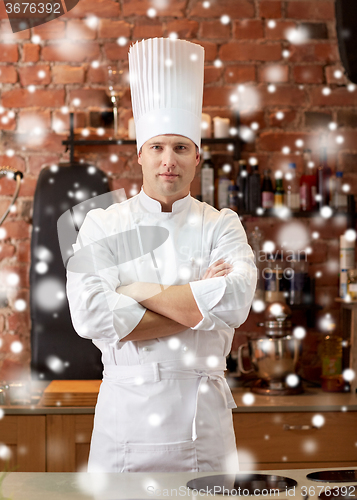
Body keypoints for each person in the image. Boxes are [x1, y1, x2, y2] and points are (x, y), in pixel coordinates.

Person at [66, 37, 257, 473]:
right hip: (125, 425)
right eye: (157, 147)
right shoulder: (103, 225)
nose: (168, 160)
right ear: (140, 155)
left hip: (202, 426)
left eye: (180, 147)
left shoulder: (221, 224)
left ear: (197, 157)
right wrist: (194, 306)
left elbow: (234, 303)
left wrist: (134, 290)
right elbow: (91, 316)